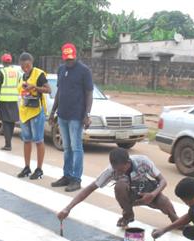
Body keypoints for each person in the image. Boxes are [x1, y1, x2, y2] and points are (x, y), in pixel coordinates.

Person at [57, 148, 178, 227]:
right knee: (120, 185)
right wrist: (68, 208)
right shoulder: (111, 171)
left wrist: (152, 194)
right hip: (130, 195)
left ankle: (176, 222)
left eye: (121, 169)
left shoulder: (143, 161)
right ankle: (128, 215)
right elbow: (90, 188)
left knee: (164, 202)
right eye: (116, 170)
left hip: (148, 191)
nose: (118, 173)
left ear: (128, 162)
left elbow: (163, 181)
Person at [49, 43, 93, 192]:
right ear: (63, 58)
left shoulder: (84, 71)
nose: (69, 61)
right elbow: (59, 92)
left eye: (71, 58)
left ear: (75, 56)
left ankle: (76, 179)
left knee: (76, 148)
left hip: (76, 116)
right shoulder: (61, 70)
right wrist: (52, 111)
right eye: (66, 59)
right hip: (62, 115)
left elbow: (89, 93)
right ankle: (66, 176)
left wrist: (87, 114)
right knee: (66, 147)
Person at [16, 52, 51, 180]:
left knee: (38, 140)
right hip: (25, 111)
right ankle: (27, 167)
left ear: (32, 63)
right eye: (22, 66)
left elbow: (48, 89)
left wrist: (35, 87)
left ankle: (39, 169)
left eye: (27, 65)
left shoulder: (39, 74)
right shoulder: (22, 76)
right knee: (26, 140)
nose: (25, 68)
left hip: (36, 111)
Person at [0, 54, 20, 151]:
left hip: (4, 100)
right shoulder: (17, 72)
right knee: (11, 121)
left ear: (3, 62)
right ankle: (9, 142)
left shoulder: (2, 72)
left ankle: (8, 144)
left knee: (5, 121)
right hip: (14, 100)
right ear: (11, 62)